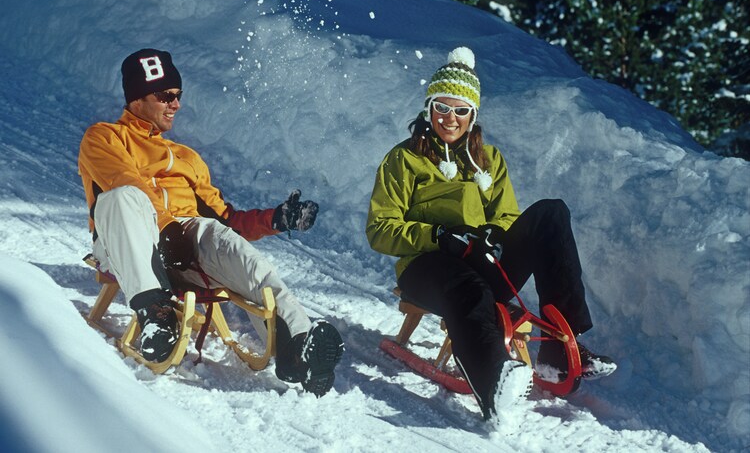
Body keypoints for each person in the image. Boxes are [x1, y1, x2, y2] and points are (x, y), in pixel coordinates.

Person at [366, 47, 616, 420]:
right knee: (469, 289)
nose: (451, 119)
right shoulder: (403, 160)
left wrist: (493, 235)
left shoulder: (489, 160)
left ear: (473, 115)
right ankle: (492, 379)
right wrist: (437, 235)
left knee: (551, 213)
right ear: (428, 108)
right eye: (442, 108)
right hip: (428, 267)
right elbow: (380, 230)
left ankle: (560, 351)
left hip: (481, 260)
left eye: (461, 110)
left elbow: (506, 215)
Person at [78, 48, 343, 397]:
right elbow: (128, 183)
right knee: (125, 197)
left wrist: (276, 219)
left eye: (178, 96)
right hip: (126, 242)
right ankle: (155, 316)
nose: (176, 104)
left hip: (184, 246)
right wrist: (165, 225)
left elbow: (227, 218)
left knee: (226, 241)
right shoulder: (104, 137)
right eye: (166, 96)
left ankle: (297, 346)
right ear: (137, 98)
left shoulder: (188, 157)